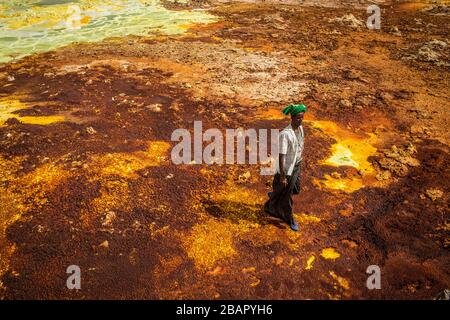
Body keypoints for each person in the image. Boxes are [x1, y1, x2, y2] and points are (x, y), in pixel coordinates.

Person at [264, 104, 306, 231]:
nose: (300, 120)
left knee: (296, 189)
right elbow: (281, 156)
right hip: (287, 170)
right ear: (292, 118)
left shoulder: (300, 129)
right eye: (298, 118)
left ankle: (276, 193)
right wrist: (283, 176)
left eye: (302, 118)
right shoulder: (285, 135)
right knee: (287, 197)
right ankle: (288, 218)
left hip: (296, 164)